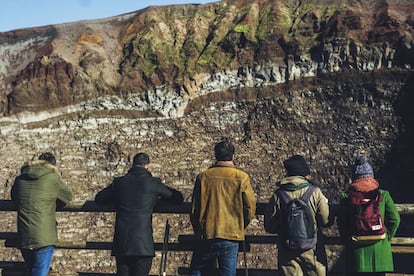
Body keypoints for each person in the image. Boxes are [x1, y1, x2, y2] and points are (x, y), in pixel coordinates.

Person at [94, 152, 184, 276]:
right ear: (148, 166)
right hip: (143, 244)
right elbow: (177, 198)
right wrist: (155, 200)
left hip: (122, 242)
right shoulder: (152, 183)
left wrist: (117, 198)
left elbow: (100, 198)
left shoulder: (120, 183)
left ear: (133, 165)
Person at [189, 139, 257, 276]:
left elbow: (194, 209)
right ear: (233, 156)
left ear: (216, 156)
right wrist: (240, 225)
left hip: (207, 232)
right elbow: (250, 208)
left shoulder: (203, 177)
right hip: (231, 234)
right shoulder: (242, 177)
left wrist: (199, 229)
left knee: (196, 270)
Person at [264, 154, 329, 276]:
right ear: (304, 173)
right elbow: (325, 220)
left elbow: (270, 226)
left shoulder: (278, 195)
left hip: (287, 248)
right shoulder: (315, 192)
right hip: (312, 248)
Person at [337, 153, 400, 276]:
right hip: (380, 254)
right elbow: (395, 219)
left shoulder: (346, 197)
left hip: (357, 255)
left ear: (355, 178)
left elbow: (342, 223)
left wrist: (347, 240)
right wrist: (386, 236)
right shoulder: (383, 195)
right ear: (371, 176)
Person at [11, 152, 73, 276]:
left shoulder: (20, 179)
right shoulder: (52, 178)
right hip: (43, 237)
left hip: (24, 235)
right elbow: (67, 197)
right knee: (39, 272)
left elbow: (14, 197)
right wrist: (51, 203)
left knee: (31, 270)